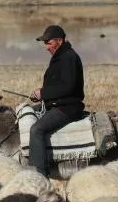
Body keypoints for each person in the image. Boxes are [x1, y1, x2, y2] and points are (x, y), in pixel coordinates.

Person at [29, 25, 85, 177]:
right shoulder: (61, 56)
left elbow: (67, 87)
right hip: (57, 104)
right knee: (26, 112)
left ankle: (39, 174)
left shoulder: (69, 58)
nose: (46, 47)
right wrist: (42, 95)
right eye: (45, 43)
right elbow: (57, 85)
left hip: (67, 108)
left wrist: (43, 93)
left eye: (48, 43)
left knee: (36, 129)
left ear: (60, 41)